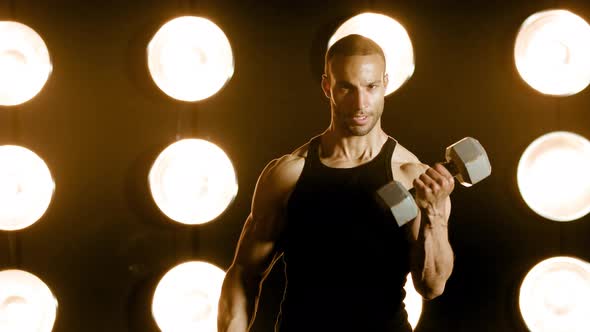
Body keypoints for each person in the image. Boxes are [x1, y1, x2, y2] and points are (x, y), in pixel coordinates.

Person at [217, 34, 455, 332]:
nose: (360, 103)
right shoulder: (289, 175)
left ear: (385, 84)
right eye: (346, 87)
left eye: (371, 87)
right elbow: (243, 275)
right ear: (327, 86)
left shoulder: (410, 176)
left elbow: (432, 286)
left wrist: (433, 214)